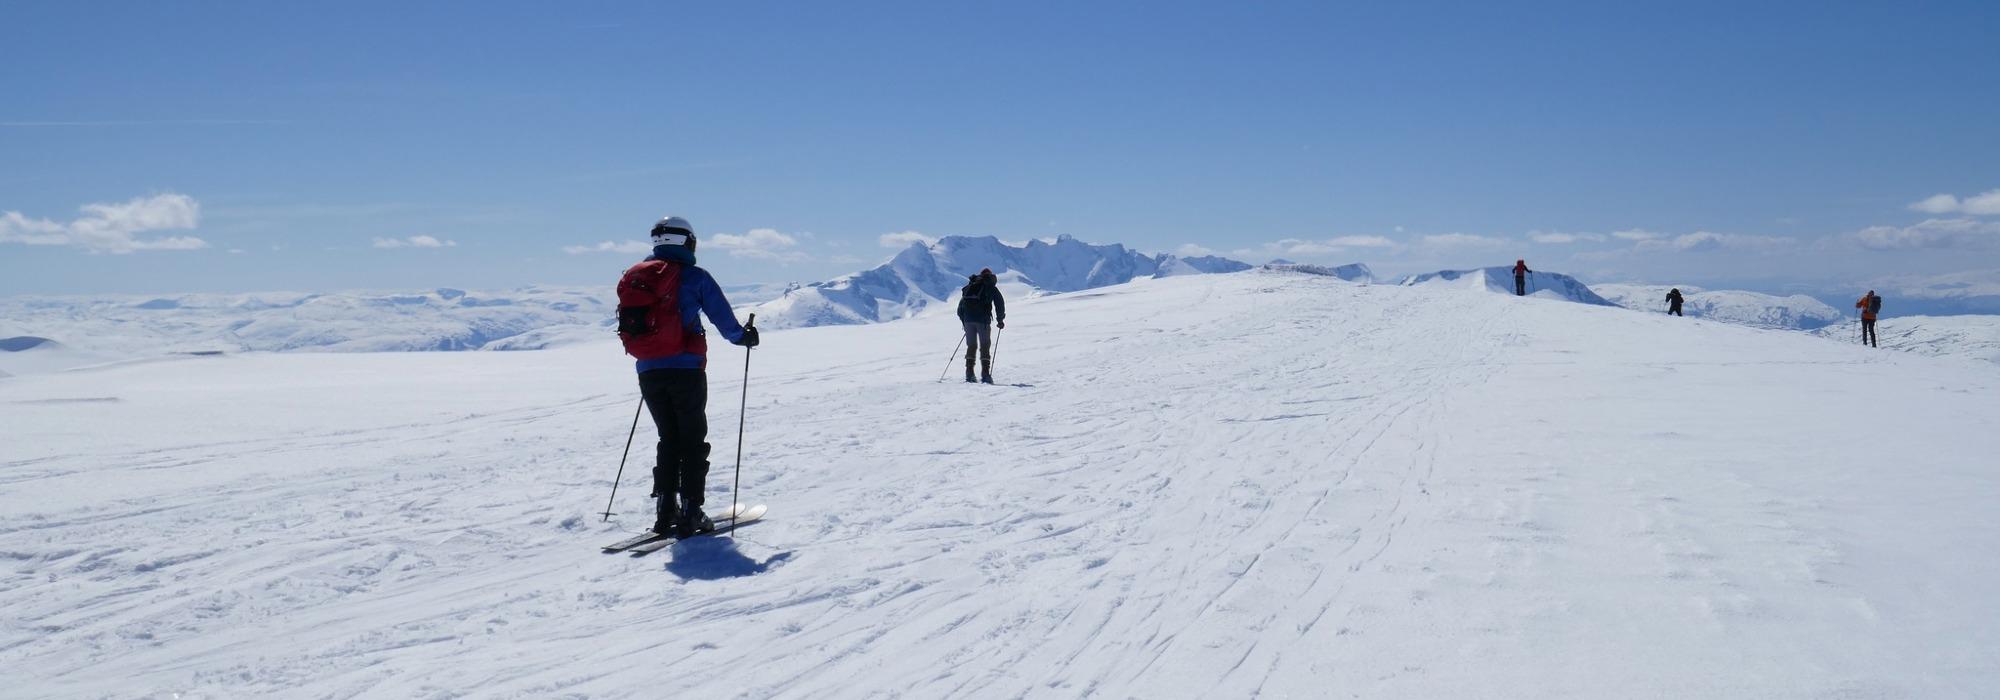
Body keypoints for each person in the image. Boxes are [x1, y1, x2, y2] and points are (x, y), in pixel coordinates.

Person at [616, 216, 759, 538]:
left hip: (649, 369)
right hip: (687, 369)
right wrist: (744, 337)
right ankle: (692, 511)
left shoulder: (636, 277)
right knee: (692, 441)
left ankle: (665, 510)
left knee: (669, 438)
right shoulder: (694, 277)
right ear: (688, 242)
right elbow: (724, 321)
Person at [956, 268, 1006, 384]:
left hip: (968, 321)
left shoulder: (971, 286)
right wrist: (1000, 320)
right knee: (985, 346)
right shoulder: (990, 287)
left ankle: (969, 373)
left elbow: (960, 308)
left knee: (971, 346)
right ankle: (985, 374)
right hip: (983, 321)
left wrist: (965, 321)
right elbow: (999, 303)